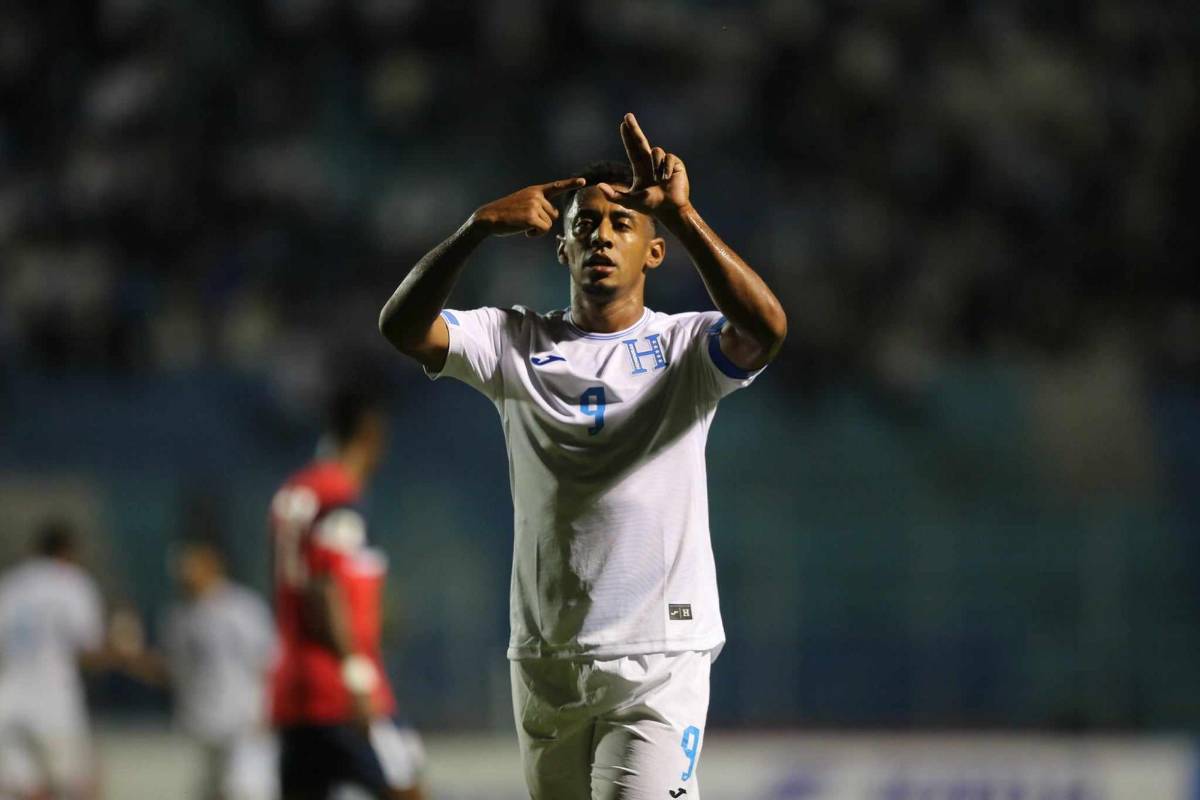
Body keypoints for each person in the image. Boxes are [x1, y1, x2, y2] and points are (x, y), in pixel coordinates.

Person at [378, 112, 787, 798]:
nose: (601, 234)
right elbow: (402, 327)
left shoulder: (686, 349)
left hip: (658, 658)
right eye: (584, 224)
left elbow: (767, 328)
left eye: (622, 224)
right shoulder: (512, 340)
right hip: (547, 659)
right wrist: (475, 229)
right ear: (561, 250)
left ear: (653, 253)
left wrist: (683, 217)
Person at [268, 389, 426, 800]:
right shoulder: (338, 498)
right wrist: (357, 673)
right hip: (338, 690)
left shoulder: (294, 492)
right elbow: (323, 588)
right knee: (407, 786)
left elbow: (296, 586)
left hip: (292, 691)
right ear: (370, 435)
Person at [122, 539, 279, 800]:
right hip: (200, 723)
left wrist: (270, 708)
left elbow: (269, 661)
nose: (183, 575)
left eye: (189, 567)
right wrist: (130, 658)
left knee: (244, 790)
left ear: (212, 567)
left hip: (243, 720)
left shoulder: (242, 608)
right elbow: (171, 670)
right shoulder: (178, 617)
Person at [0, 520, 105, 800]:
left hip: (9, 702)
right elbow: (88, 649)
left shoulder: (11, 585)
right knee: (77, 788)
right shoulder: (73, 583)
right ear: (68, 551)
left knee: (23, 790)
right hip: (56, 703)